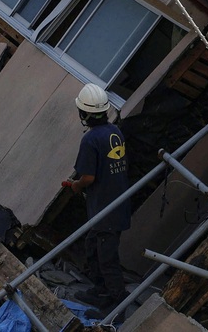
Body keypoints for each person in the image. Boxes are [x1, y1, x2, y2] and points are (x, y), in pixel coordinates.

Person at [65, 83, 130, 315]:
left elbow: (89, 177)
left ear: (84, 113)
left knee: (107, 259)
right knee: (92, 248)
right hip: (115, 204)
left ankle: (116, 306)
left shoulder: (90, 140)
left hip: (106, 210)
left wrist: (75, 186)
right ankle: (100, 290)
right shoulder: (115, 132)